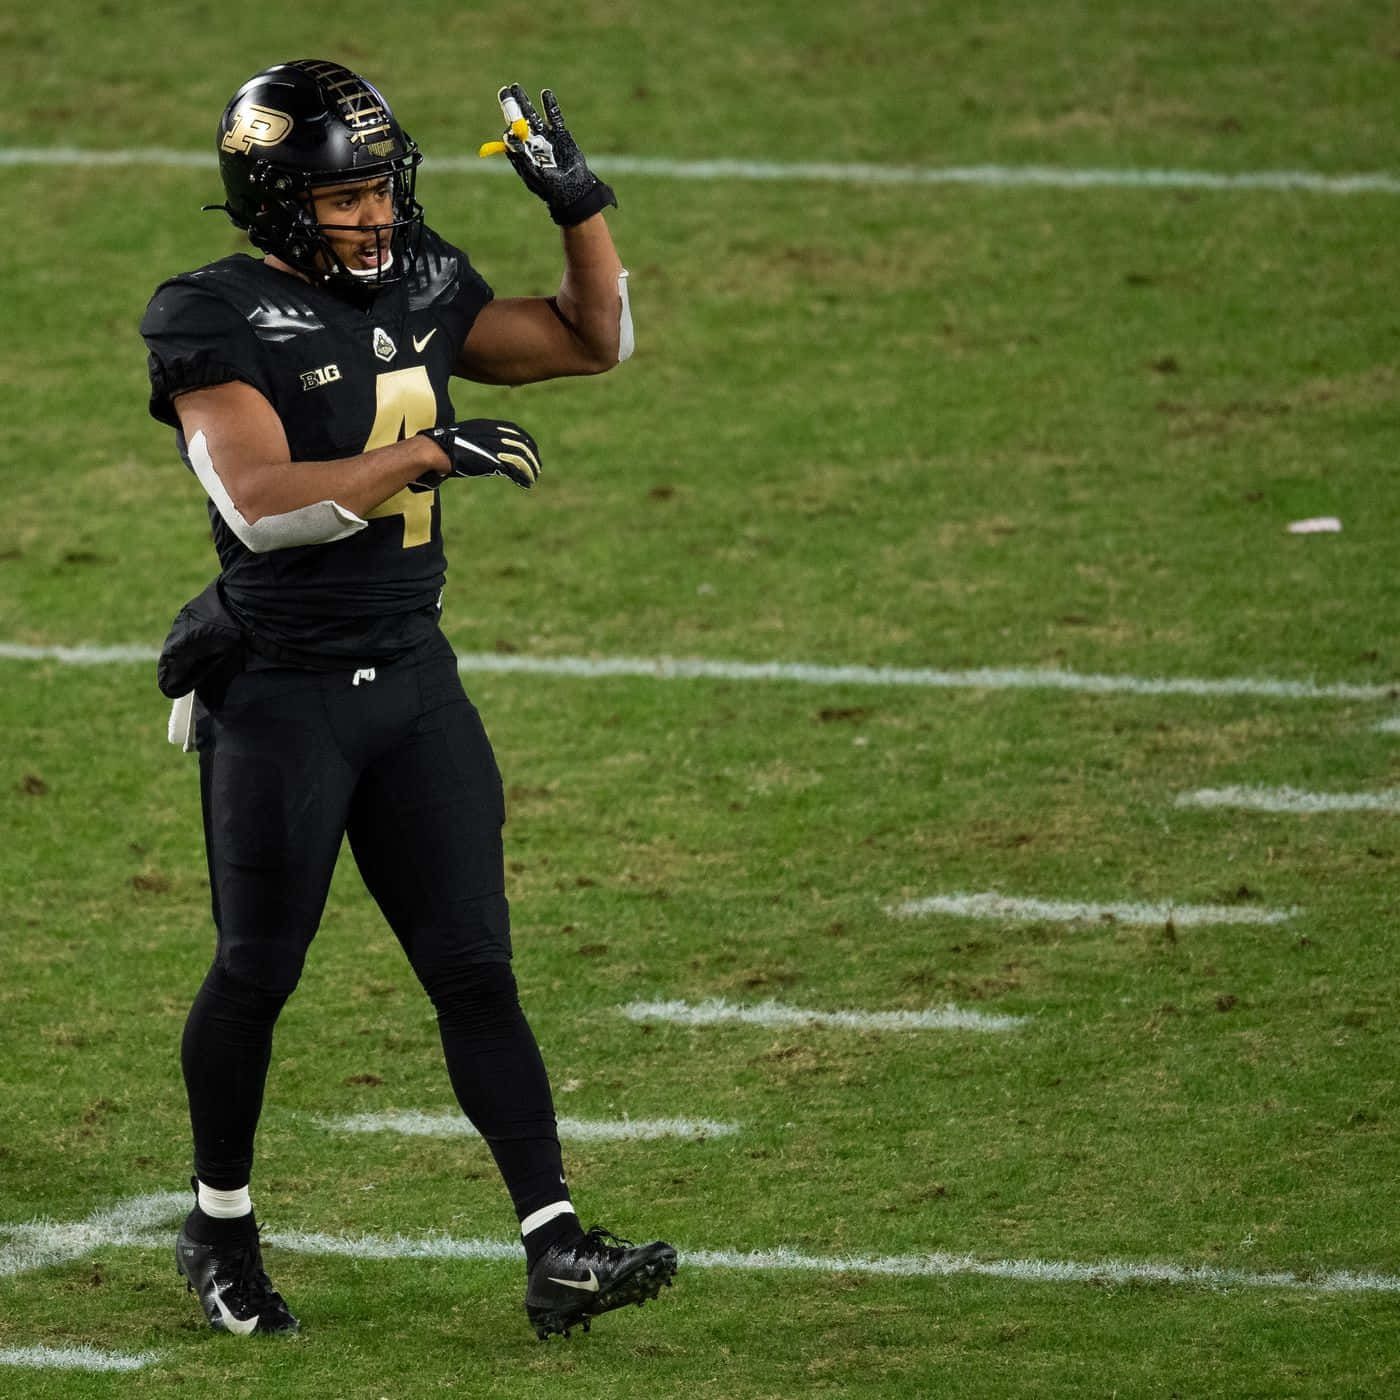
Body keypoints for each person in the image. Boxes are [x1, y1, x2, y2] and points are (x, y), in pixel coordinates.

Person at [139, 58, 674, 1342]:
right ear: (271, 201)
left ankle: (555, 1244)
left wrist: (579, 208)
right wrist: (432, 448)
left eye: (381, 189)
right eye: (343, 198)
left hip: (413, 682)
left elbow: (591, 341)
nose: (375, 217)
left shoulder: (423, 272)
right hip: (283, 697)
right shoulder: (207, 314)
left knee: (476, 969)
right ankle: (218, 1223)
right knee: (257, 971)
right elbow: (262, 509)